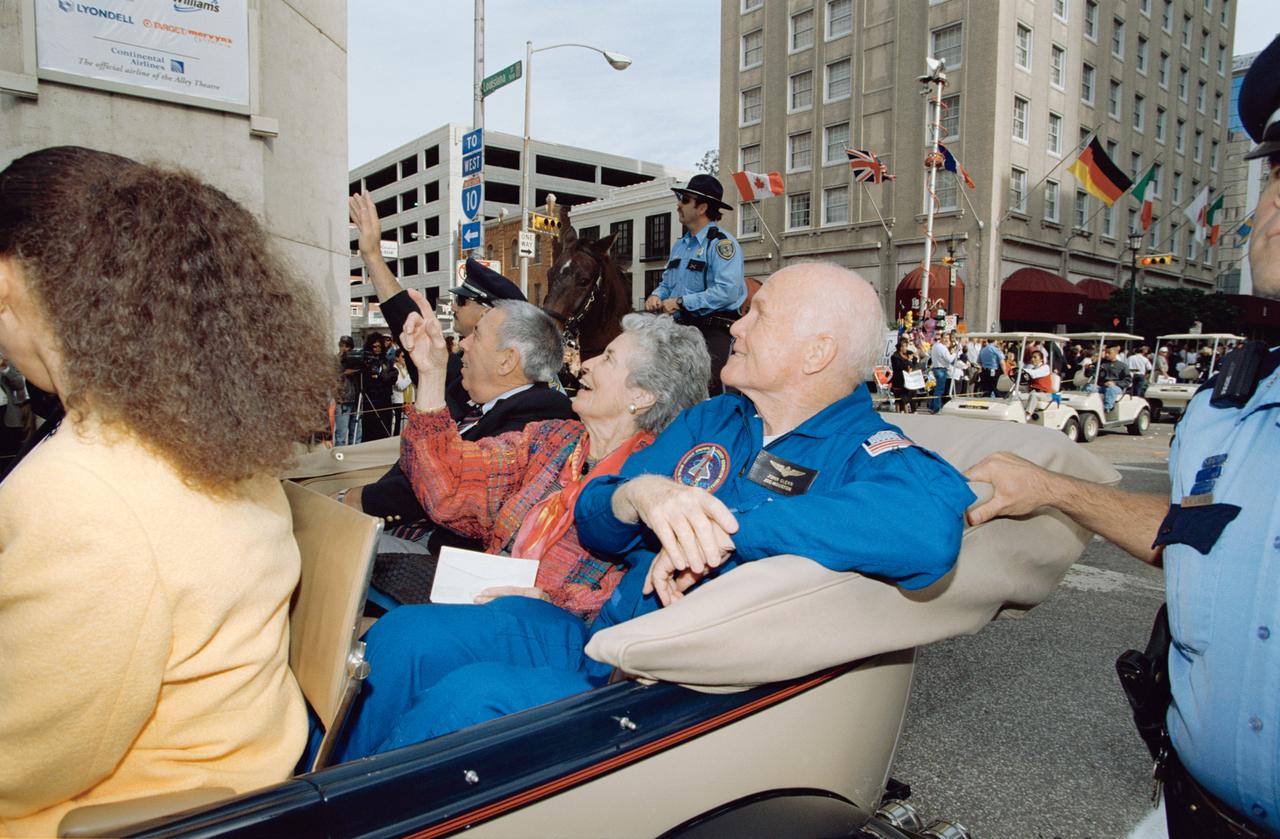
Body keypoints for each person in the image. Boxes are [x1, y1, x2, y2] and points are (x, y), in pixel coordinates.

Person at [344, 262, 976, 750]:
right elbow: (595, 518)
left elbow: (927, 529)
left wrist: (721, 530)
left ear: (816, 352)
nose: (737, 326)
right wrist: (639, 493)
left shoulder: (863, 451)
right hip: (596, 636)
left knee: (470, 700)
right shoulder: (714, 418)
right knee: (403, 638)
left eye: (760, 316)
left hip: (667, 684)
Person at [966, 38, 1280, 838]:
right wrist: (1051, 489)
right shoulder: (1222, 406)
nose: (1273, 202)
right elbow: (1191, 533)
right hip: (1192, 813)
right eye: (1277, 171)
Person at [0, 146, 332, 836]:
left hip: (128, 815)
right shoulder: (221, 444)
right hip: (246, 778)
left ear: (9, 279)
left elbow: (20, 767)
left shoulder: (82, 490)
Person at [335, 309, 711, 760]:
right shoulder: (555, 440)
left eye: (608, 359)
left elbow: (639, 593)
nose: (585, 364)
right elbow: (451, 486)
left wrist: (550, 600)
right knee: (395, 642)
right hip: (489, 609)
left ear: (643, 396)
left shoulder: (662, 482)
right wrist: (432, 373)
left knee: (414, 649)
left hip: (566, 631)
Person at [343, 194, 574, 549]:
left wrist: (360, 502)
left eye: (477, 333)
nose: (461, 345)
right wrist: (372, 255)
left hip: (428, 549)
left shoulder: (538, 419)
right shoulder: (466, 381)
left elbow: (452, 487)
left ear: (507, 359)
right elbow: (411, 327)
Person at [644, 174, 745, 395]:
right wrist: (656, 295)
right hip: (679, 328)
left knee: (715, 387)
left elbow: (727, 292)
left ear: (702, 208)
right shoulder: (680, 246)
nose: (678, 204)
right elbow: (668, 284)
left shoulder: (722, 244)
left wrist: (681, 302)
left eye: (685, 199)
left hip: (712, 329)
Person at [1087, 344, 1131, 411]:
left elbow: (1127, 381)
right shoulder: (1100, 363)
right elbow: (1089, 373)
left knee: (1110, 389)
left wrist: (1114, 383)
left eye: (1109, 353)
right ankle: (1089, 407)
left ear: (1116, 353)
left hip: (1115, 387)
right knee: (1089, 387)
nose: (1106, 355)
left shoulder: (1123, 366)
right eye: (1105, 352)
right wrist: (1088, 368)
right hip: (1101, 386)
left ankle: (1106, 409)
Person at [335, 335, 359, 446]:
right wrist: (344, 373)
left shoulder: (355, 359)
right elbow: (329, 377)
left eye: (347, 346)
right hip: (342, 400)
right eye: (342, 345)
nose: (344, 348)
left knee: (355, 434)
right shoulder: (336, 360)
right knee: (341, 433)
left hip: (356, 399)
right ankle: (339, 456)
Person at [928, 332, 957, 412]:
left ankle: (932, 406)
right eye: (945, 338)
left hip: (936, 368)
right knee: (939, 390)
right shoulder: (942, 348)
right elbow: (950, 359)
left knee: (937, 389)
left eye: (948, 338)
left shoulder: (935, 345)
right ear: (941, 338)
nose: (946, 340)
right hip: (941, 369)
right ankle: (936, 408)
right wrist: (955, 353)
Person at [889, 338, 919, 413]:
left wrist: (911, 366)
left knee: (912, 392)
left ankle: (913, 410)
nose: (905, 348)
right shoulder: (894, 356)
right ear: (900, 347)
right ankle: (901, 411)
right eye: (904, 346)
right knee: (900, 396)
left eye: (906, 346)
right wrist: (908, 361)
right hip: (899, 379)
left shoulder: (909, 353)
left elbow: (915, 361)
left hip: (909, 379)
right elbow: (897, 367)